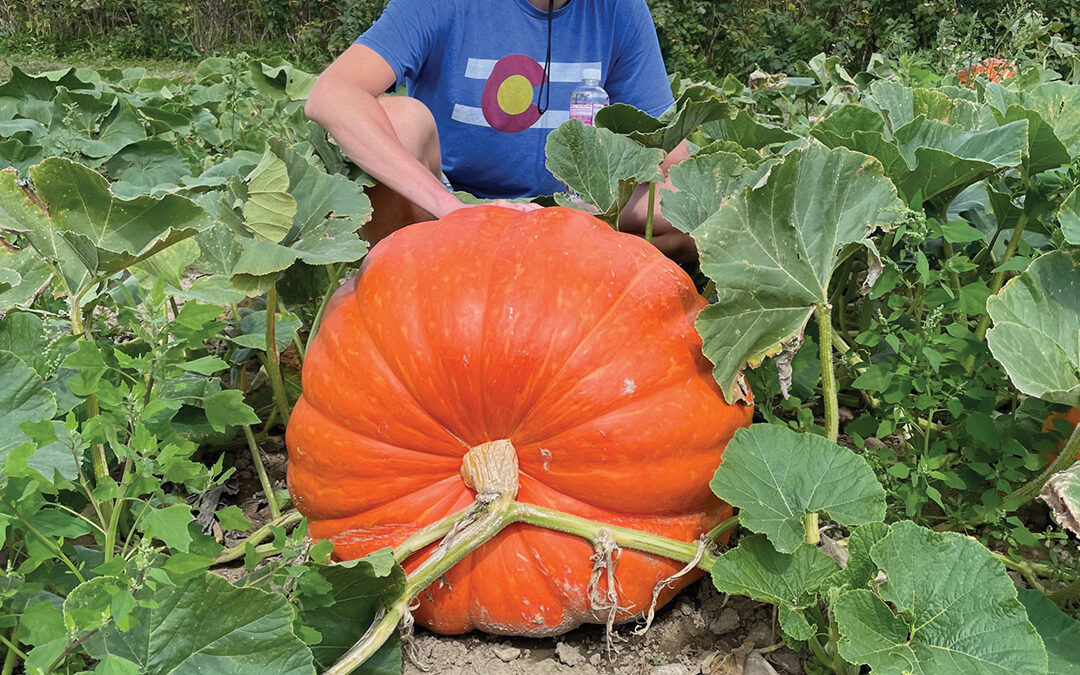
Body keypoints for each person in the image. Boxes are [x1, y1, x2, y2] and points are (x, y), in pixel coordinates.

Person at [304, 0, 694, 262]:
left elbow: (673, 160)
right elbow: (332, 93)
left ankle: (598, 278)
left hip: (574, 214)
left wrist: (595, 212)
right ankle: (389, 284)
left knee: (694, 210)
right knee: (399, 119)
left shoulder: (620, 9)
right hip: (444, 214)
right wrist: (450, 209)